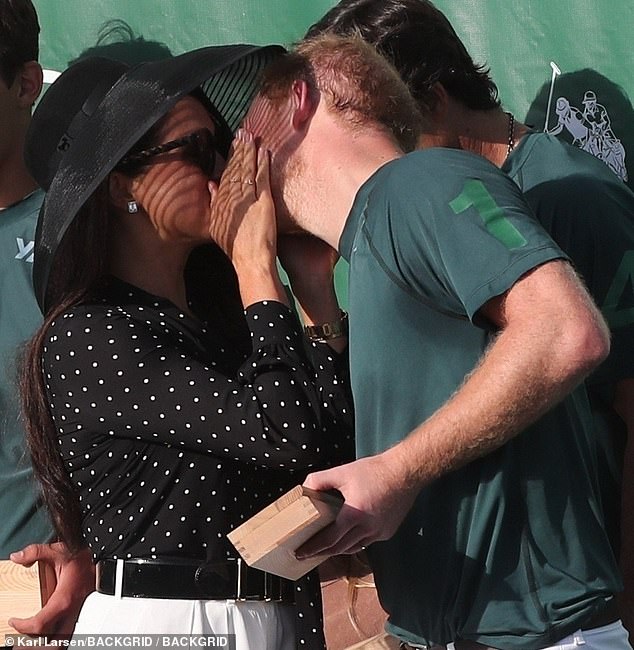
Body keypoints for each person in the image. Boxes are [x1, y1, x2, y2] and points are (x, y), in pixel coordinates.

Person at [239, 33, 631, 649]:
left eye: (246, 120)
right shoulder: (373, 234)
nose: (238, 151)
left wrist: (396, 472)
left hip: (531, 636)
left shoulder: (418, 182)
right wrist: (311, 290)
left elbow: (567, 330)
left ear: (298, 101)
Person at [19, 45, 353, 649]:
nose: (226, 168)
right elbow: (283, 436)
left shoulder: (220, 318)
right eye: (197, 151)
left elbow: (335, 453)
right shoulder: (89, 334)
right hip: (167, 623)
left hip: (270, 615)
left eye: (223, 144)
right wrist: (254, 264)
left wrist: (317, 296)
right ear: (122, 184)